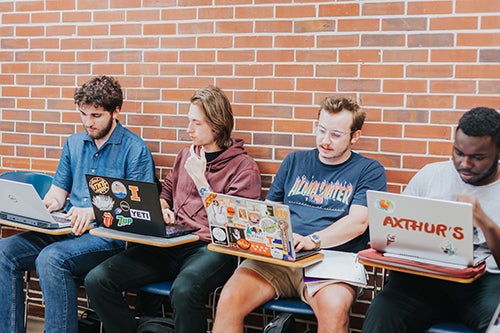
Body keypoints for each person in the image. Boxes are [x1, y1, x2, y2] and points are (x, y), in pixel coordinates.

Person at [84, 85, 262, 333]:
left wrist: (202, 181)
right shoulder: (185, 155)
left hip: (211, 248)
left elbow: (233, 227)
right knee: (98, 280)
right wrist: (161, 210)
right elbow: (165, 195)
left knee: (184, 291)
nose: (189, 129)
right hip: (170, 244)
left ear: (217, 126)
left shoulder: (244, 168)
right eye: (189, 121)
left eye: (196, 123)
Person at [210, 96, 387, 333]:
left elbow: (358, 222)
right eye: (321, 130)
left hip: (329, 263)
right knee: (229, 299)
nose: (325, 140)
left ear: (355, 136)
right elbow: (268, 210)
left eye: (335, 135)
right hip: (279, 260)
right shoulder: (294, 161)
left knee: (334, 311)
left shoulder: (368, 170)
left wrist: (312, 240)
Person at [0, 75, 157, 333]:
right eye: (83, 114)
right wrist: (46, 205)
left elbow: (138, 212)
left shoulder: (135, 149)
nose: (87, 122)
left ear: (116, 111)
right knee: (4, 251)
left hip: (107, 237)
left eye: (96, 115)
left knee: (51, 259)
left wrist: (94, 212)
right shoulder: (73, 143)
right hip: (66, 230)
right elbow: (58, 193)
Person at [362, 107, 500, 333]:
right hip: (425, 279)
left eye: (478, 157)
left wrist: (485, 222)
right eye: (458, 153)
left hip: (485, 284)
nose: (465, 164)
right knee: (382, 313)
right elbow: (395, 233)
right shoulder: (432, 175)